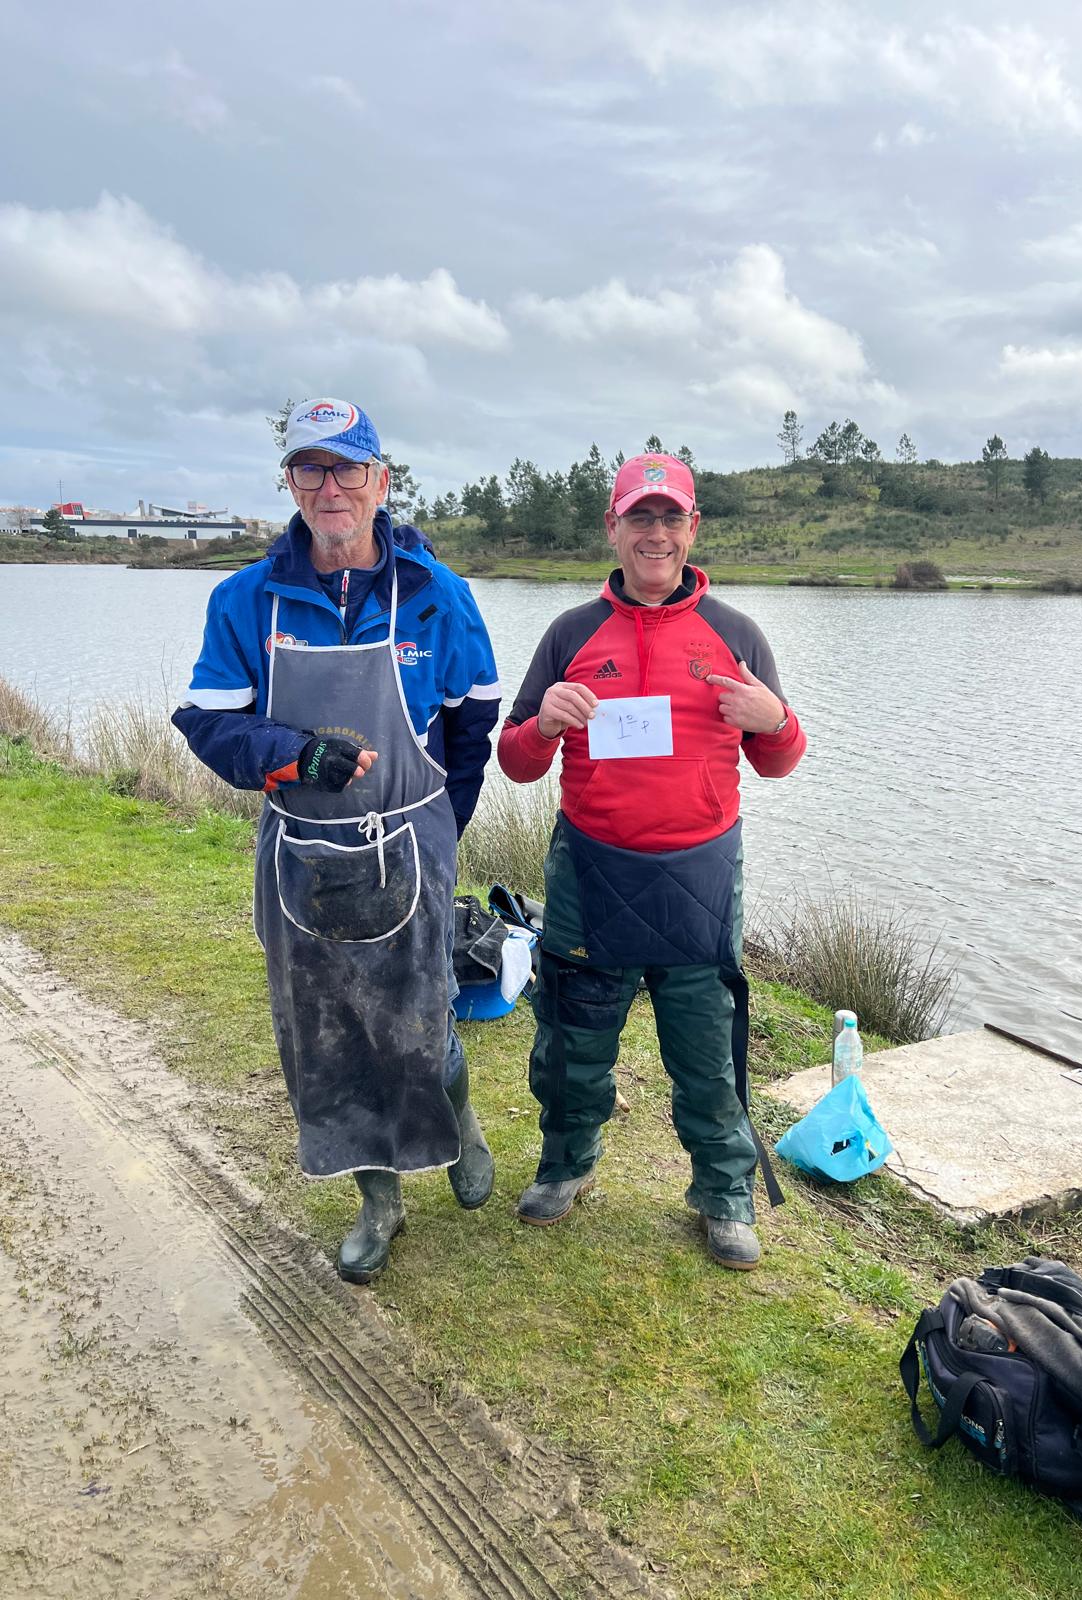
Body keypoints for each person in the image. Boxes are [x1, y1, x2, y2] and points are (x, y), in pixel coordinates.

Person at [173, 398, 501, 1283]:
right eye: (310, 468)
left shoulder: (440, 597)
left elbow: (474, 723)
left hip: (412, 844)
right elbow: (208, 726)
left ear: (380, 481)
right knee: (330, 1038)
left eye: (347, 468)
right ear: (290, 482)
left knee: (424, 1025)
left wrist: (438, 825)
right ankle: (379, 1200)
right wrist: (290, 753)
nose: (330, 487)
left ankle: (459, 1123)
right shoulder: (244, 599)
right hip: (300, 854)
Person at [498, 452, 805, 1271]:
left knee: (708, 1052)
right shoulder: (570, 633)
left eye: (671, 518)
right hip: (589, 873)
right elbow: (517, 761)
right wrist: (542, 727)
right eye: (641, 517)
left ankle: (724, 1192)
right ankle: (567, 1164)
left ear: (692, 529)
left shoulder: (736, 635)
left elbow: (778, 761)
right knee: (571, 1044)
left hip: (701, 878)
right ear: (615, 527)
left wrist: (774, 718)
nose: (656, 533)